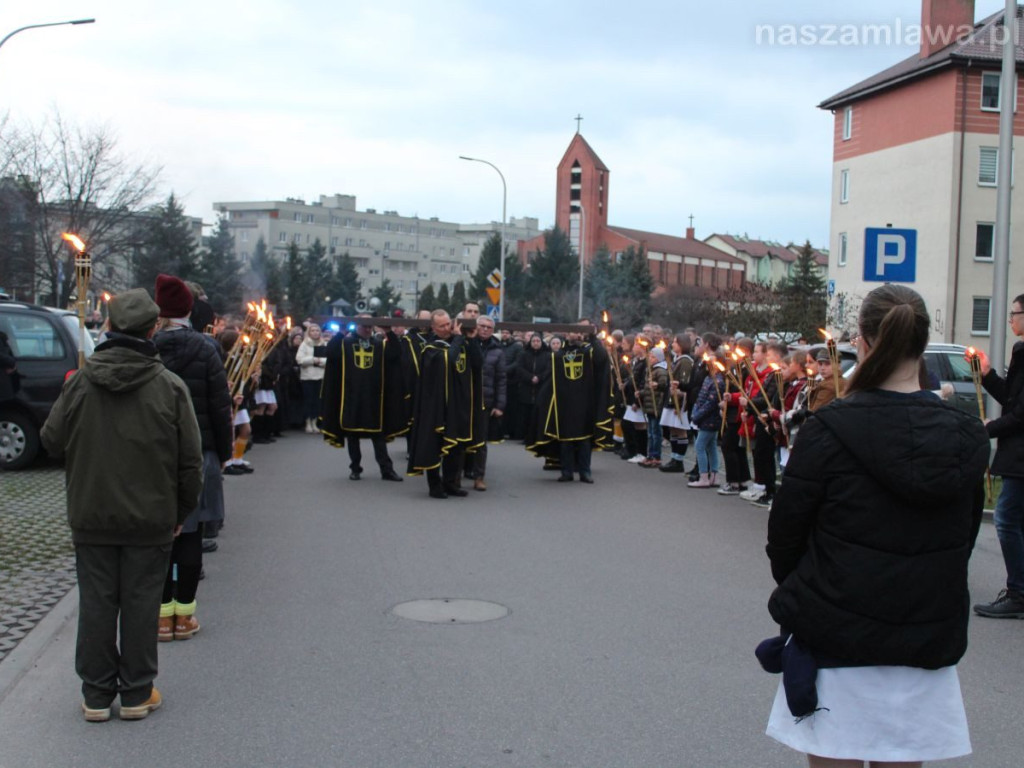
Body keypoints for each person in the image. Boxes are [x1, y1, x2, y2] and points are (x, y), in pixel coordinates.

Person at [762, 284, 989, 767]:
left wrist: (810, 592)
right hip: (923, 637)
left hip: (837, 635)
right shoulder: (966, 434)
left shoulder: (827, 428)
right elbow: (963, 538)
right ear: (922, 344)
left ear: (862, 343)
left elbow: (785, 538)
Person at [40, 288, 203, 722]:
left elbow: (50, 440)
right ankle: (135, 692)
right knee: (140, 603)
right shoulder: (169, 387)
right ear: (152, 330)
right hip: (150, 518)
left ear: (108, 326)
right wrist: (180, 514)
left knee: (96, 604)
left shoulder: (80, 382)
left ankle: (95, 695)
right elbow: (190, 463)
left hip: (92, 513)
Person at [151, 274, 233, 640]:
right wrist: (225, 452)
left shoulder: (147, 346)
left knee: (157, 538)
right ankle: (184, 616)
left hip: (153, 452)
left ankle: (160, 614)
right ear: (190, 310)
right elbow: (219, 405)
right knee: (190, 534)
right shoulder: (206, 348)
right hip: (197, 452)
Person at [972, 292, 1024, 618]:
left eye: (1014, 313)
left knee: (1005, 519)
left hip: (1020, 457)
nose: (1010, 319)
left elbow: (1019, 414)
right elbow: (1013, 398)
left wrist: (988, 428)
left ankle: (1018, 592)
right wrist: (987, 373)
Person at [319, 315, 405, 481]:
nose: (367, 329)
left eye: (369, 326)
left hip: (374, 399)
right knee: (353, 435)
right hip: (352, 396)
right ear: (356, 326)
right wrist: (340, 333)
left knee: (378, 437)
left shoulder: (379, 344)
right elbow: (330, 352)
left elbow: (396, 354)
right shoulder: (346, 343)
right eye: (364, 326)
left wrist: (389, 332)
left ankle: (386, 470)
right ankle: (355, 468)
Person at [407, 310, 482, 498]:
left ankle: (450, 483)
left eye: (448, 323)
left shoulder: (461, 343)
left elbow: (478, 363)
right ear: (433, 328)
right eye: (442, 326)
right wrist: (458, 339)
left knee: (456, 447)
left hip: (459, 403)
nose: (447, 328)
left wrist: (472, 340)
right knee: (435, 445)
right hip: (437, 406)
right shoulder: (431, 348)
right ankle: (434, 485)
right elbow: (448, 360)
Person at [527, 319, 613, 483]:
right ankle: (566, 471)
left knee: (584, 439)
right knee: (565, 439)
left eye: (582, 331)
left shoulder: (589, 351)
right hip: (564, 403)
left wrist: (593, 338)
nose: (578, 334)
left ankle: (584, 472)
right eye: (575, 330)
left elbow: (601, 359)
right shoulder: (558, 355)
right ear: (567, 333)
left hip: (585, 402)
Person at [468, 315, 506, 490]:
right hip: (465, 399)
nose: (484, 329)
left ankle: (479, 477)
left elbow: (501, 379)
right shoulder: (467, 343)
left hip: (485, 400)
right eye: (481, 326)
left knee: (481, 441)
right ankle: (455, 475)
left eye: (488, 327)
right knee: (460, 439)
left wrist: (499, 405)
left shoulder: (498, 350)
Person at [295, 323, 327, 433]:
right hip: (307, 377)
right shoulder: (304, 344)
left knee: (317, 401)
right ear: (309, 332)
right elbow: (299, 359)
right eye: (313, 330)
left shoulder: (324, 344)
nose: (315, 333)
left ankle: (315, 422)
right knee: (308, 400)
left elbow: (328, 359)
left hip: (320, 376)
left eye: (317, 330)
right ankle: (308, 422)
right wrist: (312, 360)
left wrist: (320, 361)